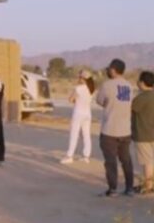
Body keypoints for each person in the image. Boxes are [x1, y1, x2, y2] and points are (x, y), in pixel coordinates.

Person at [96, 59, 135, 197]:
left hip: (110, 130)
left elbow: (100, 101)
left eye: (109, 69)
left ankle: (113, 189)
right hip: (125, 130)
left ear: (113, 70)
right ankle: (129, 188)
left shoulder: (107, 85)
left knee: (111, 161)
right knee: (126, 160)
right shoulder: (129, 86)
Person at [61, 70, 96, 164]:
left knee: (74, 134)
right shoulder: (91, 89)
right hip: (87, 114)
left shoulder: (79, 88)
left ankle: (69, 155)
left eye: (80, 77)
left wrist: (75, 101)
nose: (78, 79)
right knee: (86, 135)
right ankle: (86, 156)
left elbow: (70, 99)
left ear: (83, 78)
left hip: (78, 113)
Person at [132, 71, 154, 195]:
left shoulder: (141, 98)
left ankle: (148, 185)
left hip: (143, 134)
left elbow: (131, 110)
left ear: (141, 82)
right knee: (151, 160)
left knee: (147, 161)